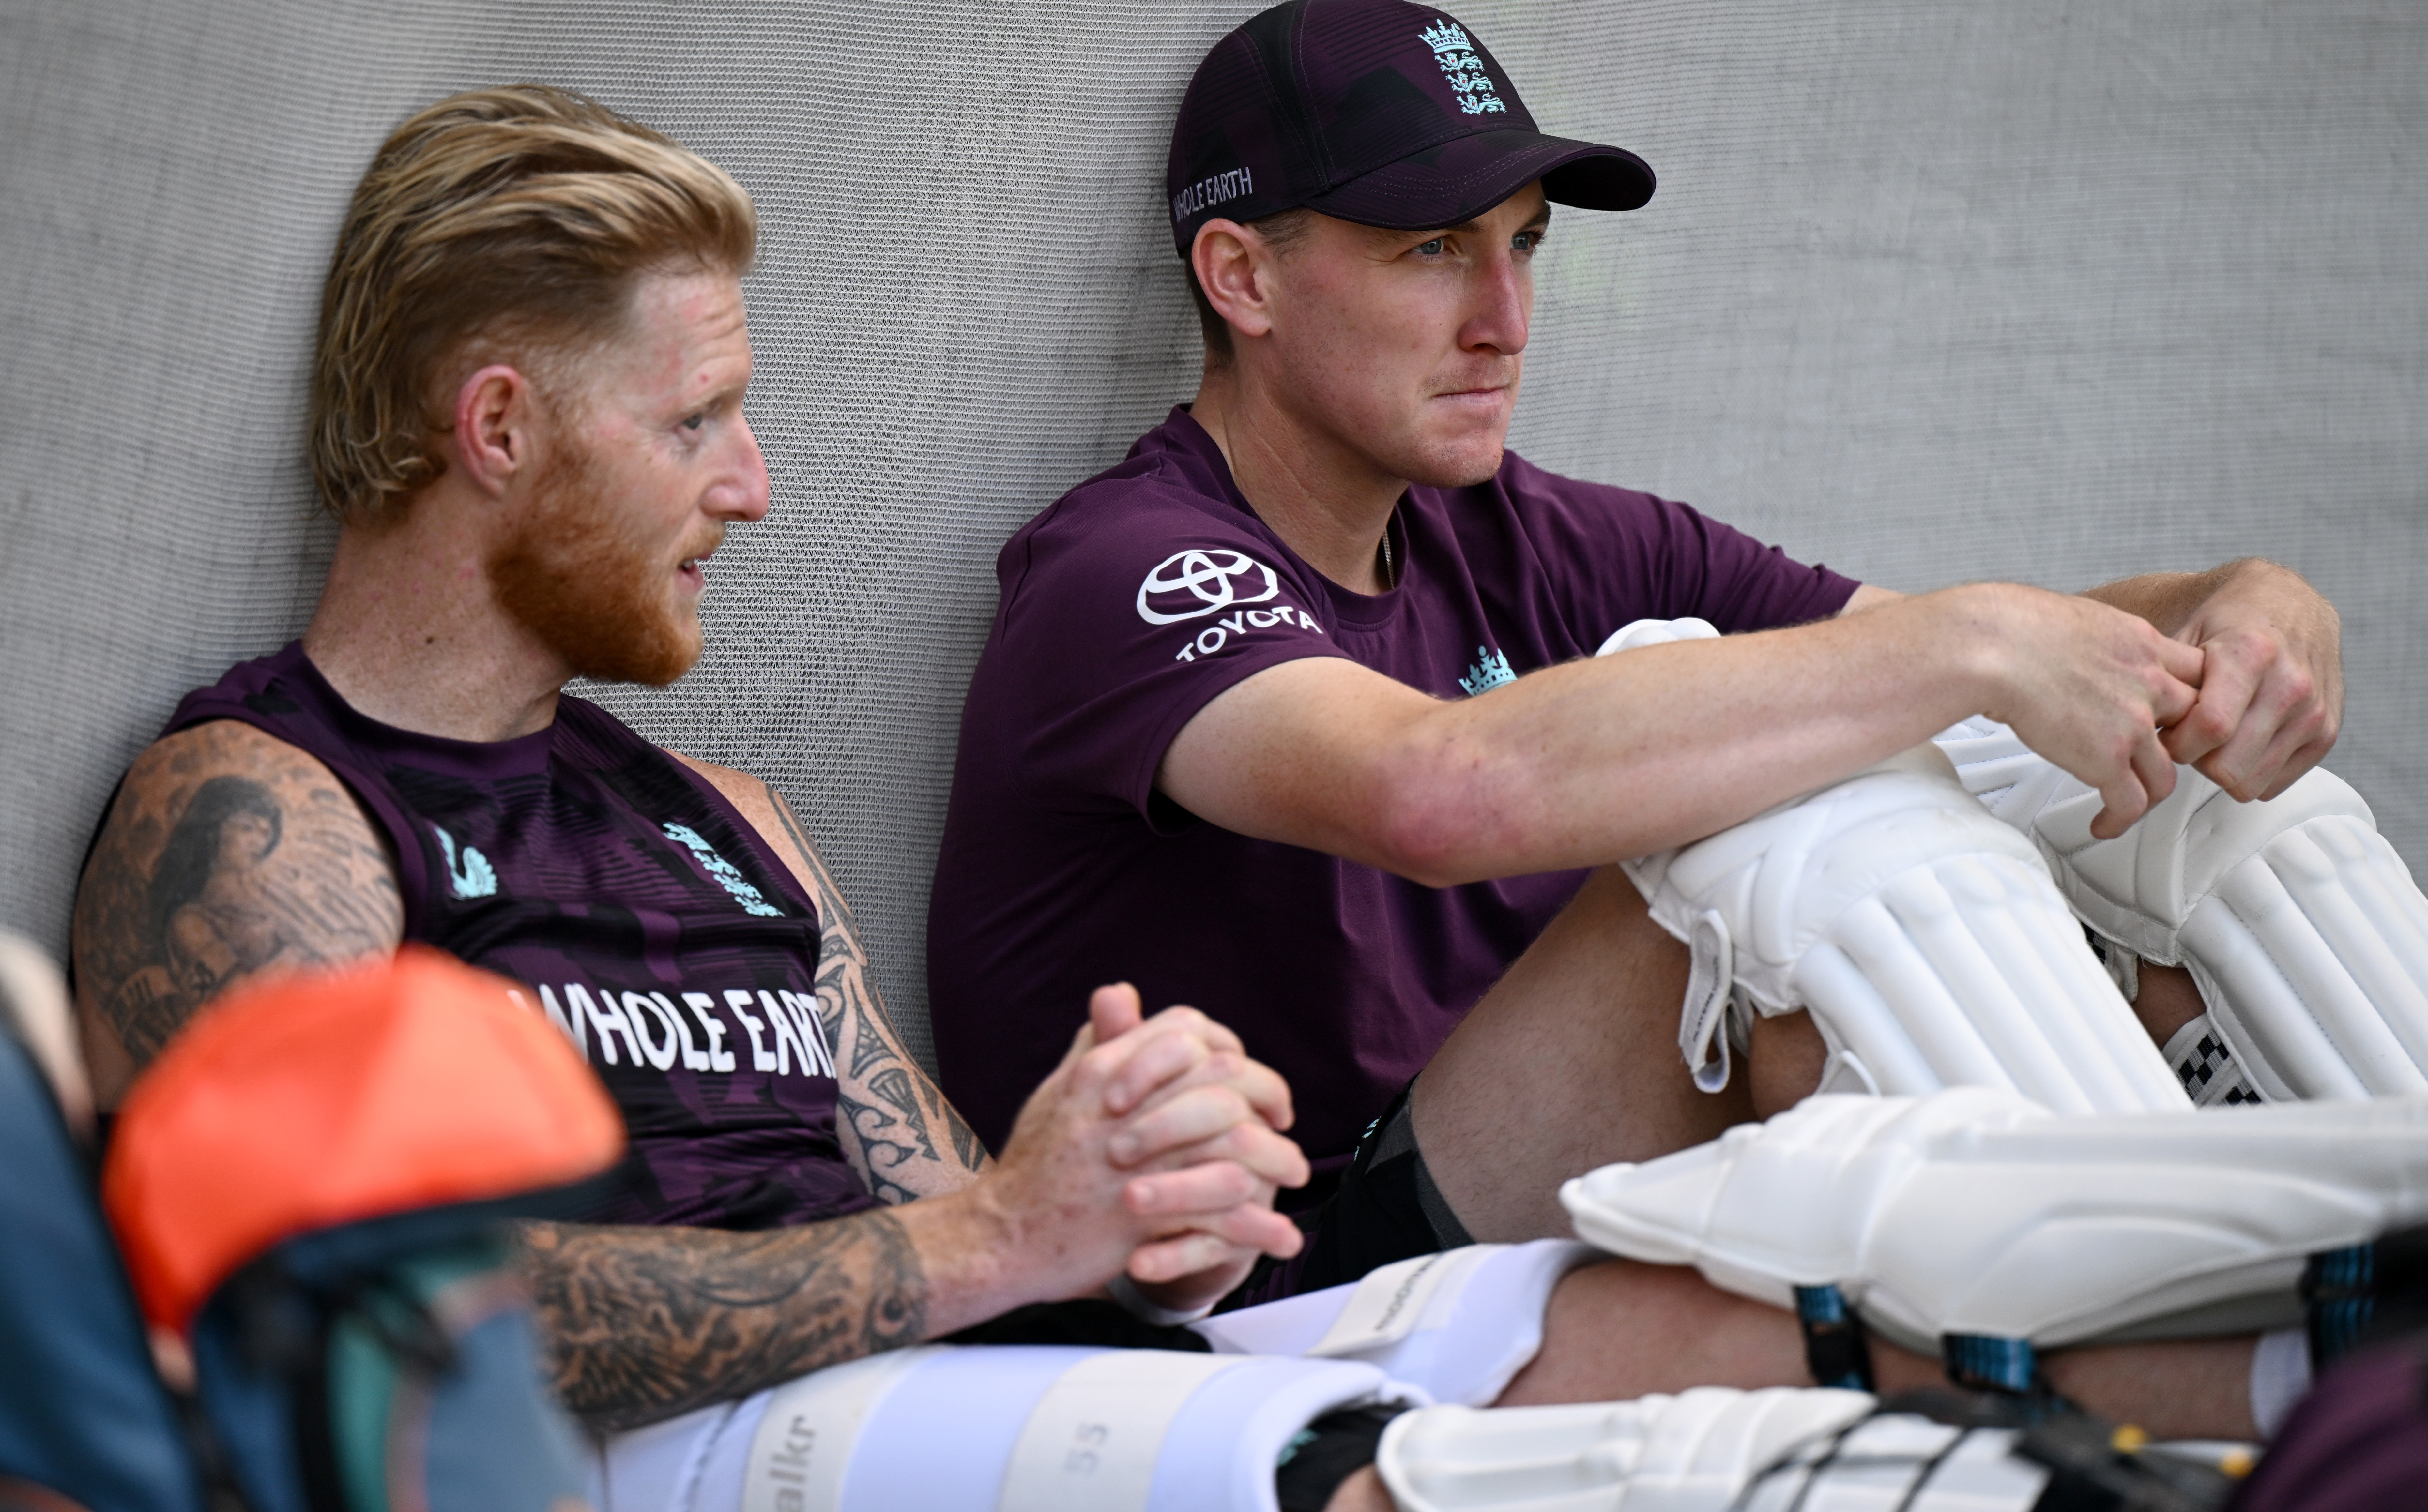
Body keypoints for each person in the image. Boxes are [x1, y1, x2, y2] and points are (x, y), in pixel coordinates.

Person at [62, 85, 2285, 1509]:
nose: (754, 487)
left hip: (939, 1363)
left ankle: (2329, 1407)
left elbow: (970, 1221)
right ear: (499, 430)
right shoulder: (261, 813)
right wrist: (992, 1241)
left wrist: (1127, 1205)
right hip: (647, 1460)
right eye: (697, 425)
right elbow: (346, 1350)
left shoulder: (720, 817)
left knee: (1759, 1334)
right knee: (1555, 1480)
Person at [924, 0, 2359, 1298]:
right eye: (1432, 250)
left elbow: (2001, 687)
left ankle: (2348, 1287)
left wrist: (2240, 605)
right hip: (1279, 1295)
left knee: (2187, 802)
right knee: (1804, 809)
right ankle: (2192, 1324)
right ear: (1240, 278)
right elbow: (1433, 791)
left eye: (1523, 245)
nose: (1502, 319)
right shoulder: (1125, 569)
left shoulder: (1526, 530)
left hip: (1531, 1203)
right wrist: (1975, 644)